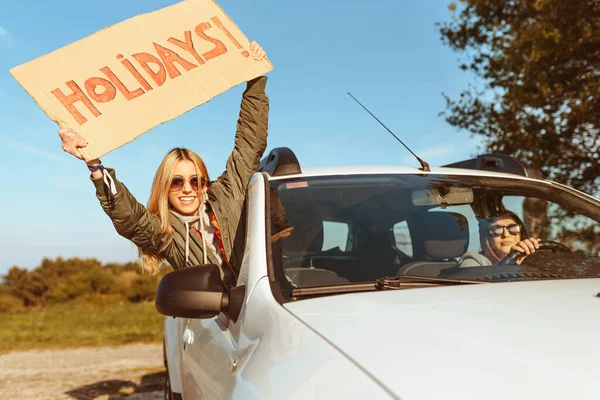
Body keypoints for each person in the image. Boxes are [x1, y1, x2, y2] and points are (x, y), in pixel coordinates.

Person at [58, 42, 268, 287]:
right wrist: (93, 162)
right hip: (217, 320)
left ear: (205, 183)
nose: (188, 189)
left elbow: (249, 144)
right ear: (164, 186)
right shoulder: (164, 233)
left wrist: (254, 79)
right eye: (176, 181)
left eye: (196, 180)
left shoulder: (228, 195)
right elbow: (130, 217)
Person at [458, 210, 539, 267]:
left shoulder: (532, 261)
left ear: (521, 234)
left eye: (513, 228)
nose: (506, 234)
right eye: (497, 230)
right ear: (486, 239)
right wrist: (510, 263)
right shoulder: (474, 261)